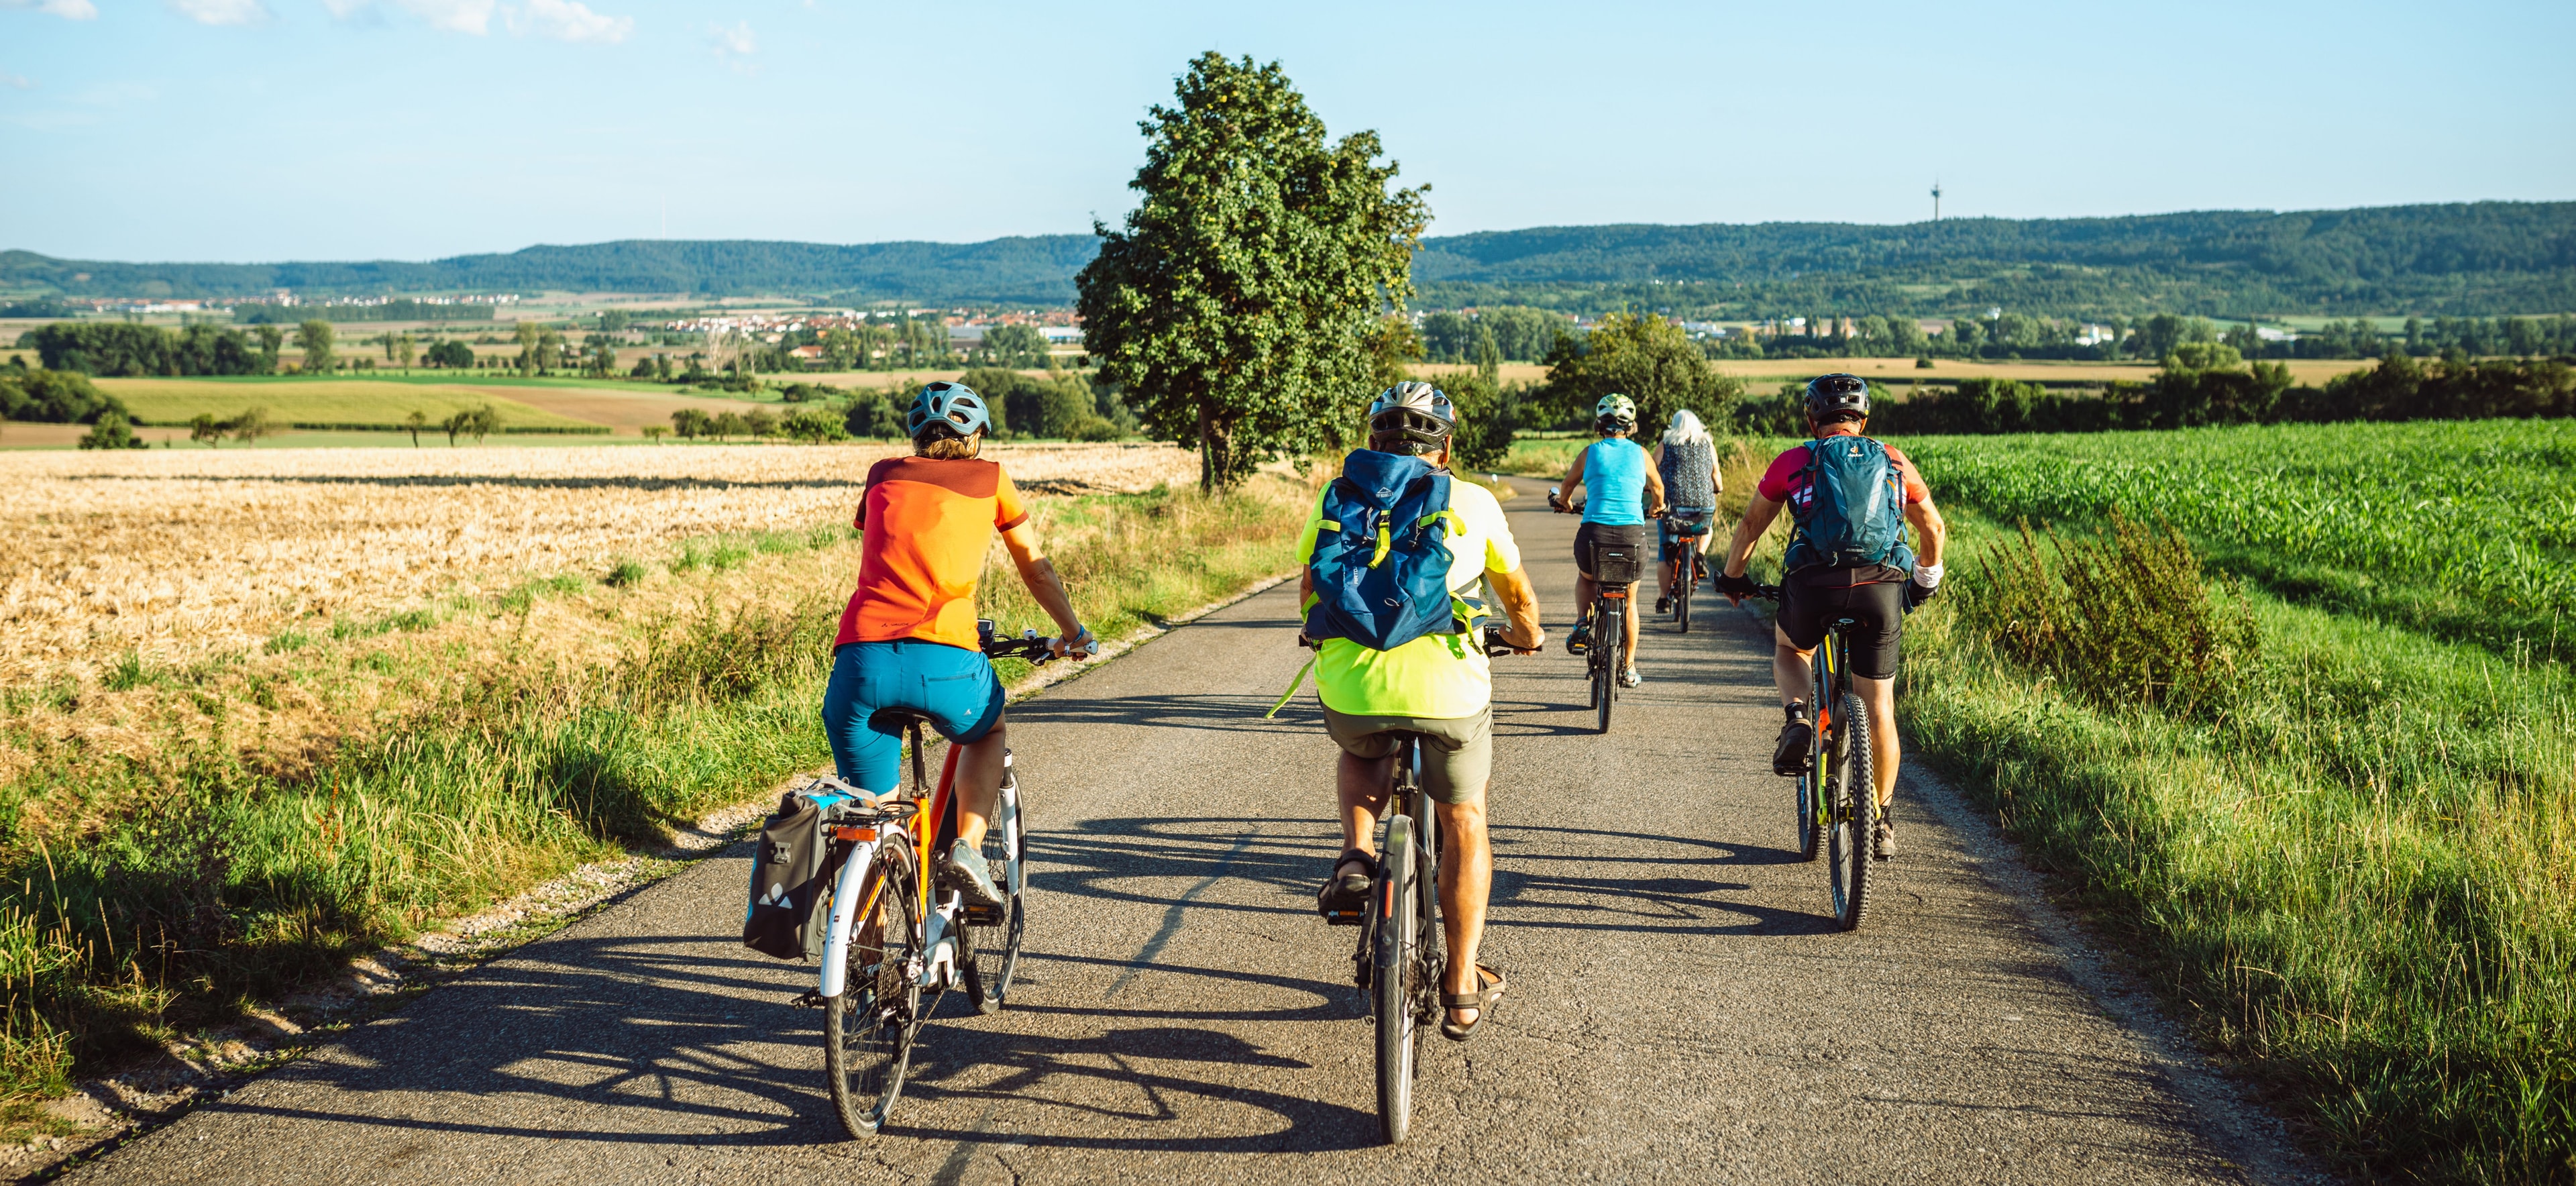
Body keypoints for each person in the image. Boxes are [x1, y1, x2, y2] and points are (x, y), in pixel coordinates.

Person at [1305, 381, 1544, 1041]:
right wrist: (1527, 636)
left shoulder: (1339, 496)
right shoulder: (1472, 502)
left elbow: (1310, 592)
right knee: (1464, 815)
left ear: (1374, 441)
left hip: (1355, 687)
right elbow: (1519, 600)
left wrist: (1320, 629)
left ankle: (1356, 856)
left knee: (1360, 750)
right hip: (1450, 692)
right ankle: (1463, 987)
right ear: (1445, 446)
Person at [821, 381, 1095, 906]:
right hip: (944, 660)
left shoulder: (882, 475)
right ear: (976, 437)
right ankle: (967, 848)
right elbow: (1036, 569)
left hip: (860, 664)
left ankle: (868, 968)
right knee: (987, 729)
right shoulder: (991, 478)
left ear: (918, 435)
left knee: (876, 826)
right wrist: (1072, 633)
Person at [1715, 374, 1947, 860]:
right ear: (1863, 419)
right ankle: (1880, 820)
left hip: (1815, 584)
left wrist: (1734, 578)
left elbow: (1752, 525)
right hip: (1880, 588)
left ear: (1811, 417)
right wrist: (1926, 577)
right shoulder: (1893, 461)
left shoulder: (1794, 461)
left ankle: (1799, 718)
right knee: (1879, 704)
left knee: (1790, 647)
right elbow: (1934, 527)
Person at [1550, 393, 1664, 688]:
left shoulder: (1590, 453)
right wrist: (1655, 509)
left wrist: (1564, 502)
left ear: (1600, 424)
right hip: (1632, 539)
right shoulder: (1642, 454)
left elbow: (1567, 487)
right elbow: (1658, 489)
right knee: (1630, 599)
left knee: (1587, 578)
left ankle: (1582, 622)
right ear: (1631, 425)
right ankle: (1628, 667)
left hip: (1594, 535)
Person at [1652, 409, 1722, 614]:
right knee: (1706, 527)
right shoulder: (1708, 445)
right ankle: (1700, 555)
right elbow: (1716, 473)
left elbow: (1652, 471)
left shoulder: (1665, 445)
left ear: (1674, 426)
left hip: (1673, 506)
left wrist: (1651, 489)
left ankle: (1664, 599)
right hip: (1703, 504)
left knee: (1665, 550)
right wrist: (1718, 488)